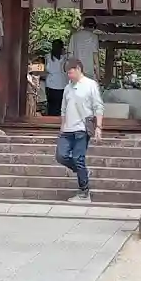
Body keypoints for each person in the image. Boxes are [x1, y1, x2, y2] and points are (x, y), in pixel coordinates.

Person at [55, 58, 104, 204]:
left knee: (78, 158)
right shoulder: (67, 88)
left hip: (82, 128)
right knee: (61, 156)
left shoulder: (90, 85)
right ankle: (83, 172)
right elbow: (63, 109)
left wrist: (98, 127)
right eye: (67, 73)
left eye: (70, 72)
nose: (69, 75)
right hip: (67, 129)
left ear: (78, 69)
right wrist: (62, 126)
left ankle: (84, 192)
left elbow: (98, 106)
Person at [67, 16, 100, 81]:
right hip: (89, 72)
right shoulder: (94, 37)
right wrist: (98, 75)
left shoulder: (74, 36)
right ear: (93, 27)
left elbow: (70, 55)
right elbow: (95, 57)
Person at [44, 38, 67, 116]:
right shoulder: (65, 58)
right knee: (61, 108)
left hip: (50, 85)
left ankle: (50, 120)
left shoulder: (47, 57)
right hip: (62, 85)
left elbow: (45, 70)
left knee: (51, 107)